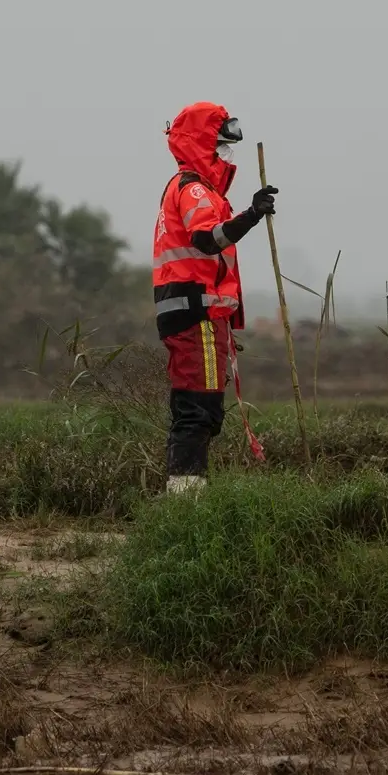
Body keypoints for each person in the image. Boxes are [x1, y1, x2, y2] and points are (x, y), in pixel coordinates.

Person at [151, 101, 277, 492]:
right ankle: (186, 501)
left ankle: (185, 494)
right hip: (197, 313)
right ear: (202, 144)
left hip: (194, 312)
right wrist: (251, 215)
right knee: (198, 409)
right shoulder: (193, 190)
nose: (226, 155)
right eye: (221, 146)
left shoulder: (195, 190)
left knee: (197, 406)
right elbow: (207, 239)